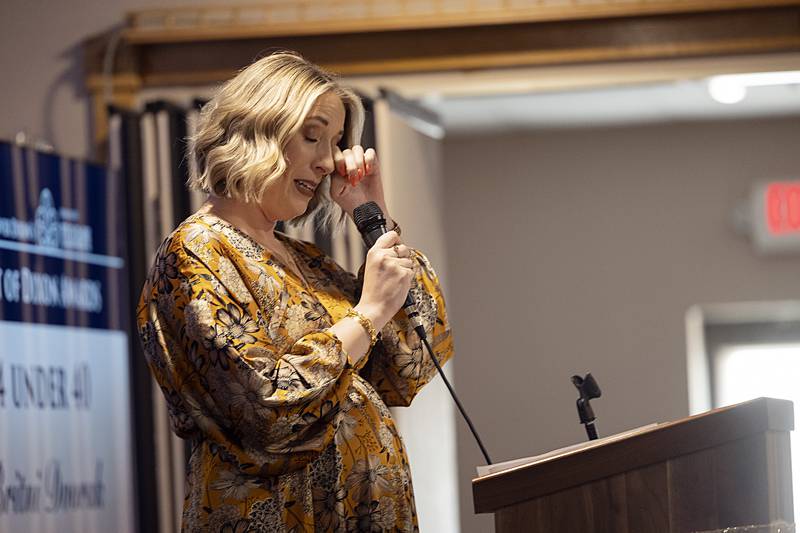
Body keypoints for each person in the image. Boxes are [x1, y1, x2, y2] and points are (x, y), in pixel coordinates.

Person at [136, 51, 453, 532]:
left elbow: (406, 367)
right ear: (258, 130)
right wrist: (365, 315)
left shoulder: (307, 261)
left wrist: (377, 220)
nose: (328, 162)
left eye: (335, 143)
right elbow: (265, 409)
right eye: (312, 136)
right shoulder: (196, 252)